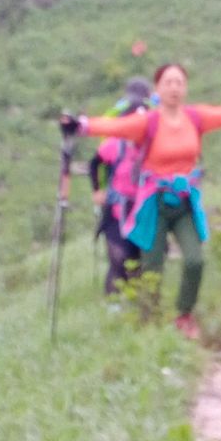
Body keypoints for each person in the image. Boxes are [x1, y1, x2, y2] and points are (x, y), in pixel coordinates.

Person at [61, 62, 221, 336]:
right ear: (158, 88)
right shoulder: (148, 122)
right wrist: (81, 126)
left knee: (195, 260)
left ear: (185, 88)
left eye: (179, 82)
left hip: (184, 202)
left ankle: (184, 315)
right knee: (152, 268)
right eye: (168, 82)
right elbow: (116, 127)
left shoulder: (196, 118)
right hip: (152, 204)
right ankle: (149, 323)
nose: (174, 87)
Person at [88, 75, 153, 294]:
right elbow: (95, 161)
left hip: (133, 200)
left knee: (129, 256)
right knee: (122, 256)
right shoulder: (145, 109)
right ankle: (119, 300)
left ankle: (131, 300)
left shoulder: (121, 110)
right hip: (122, 199)